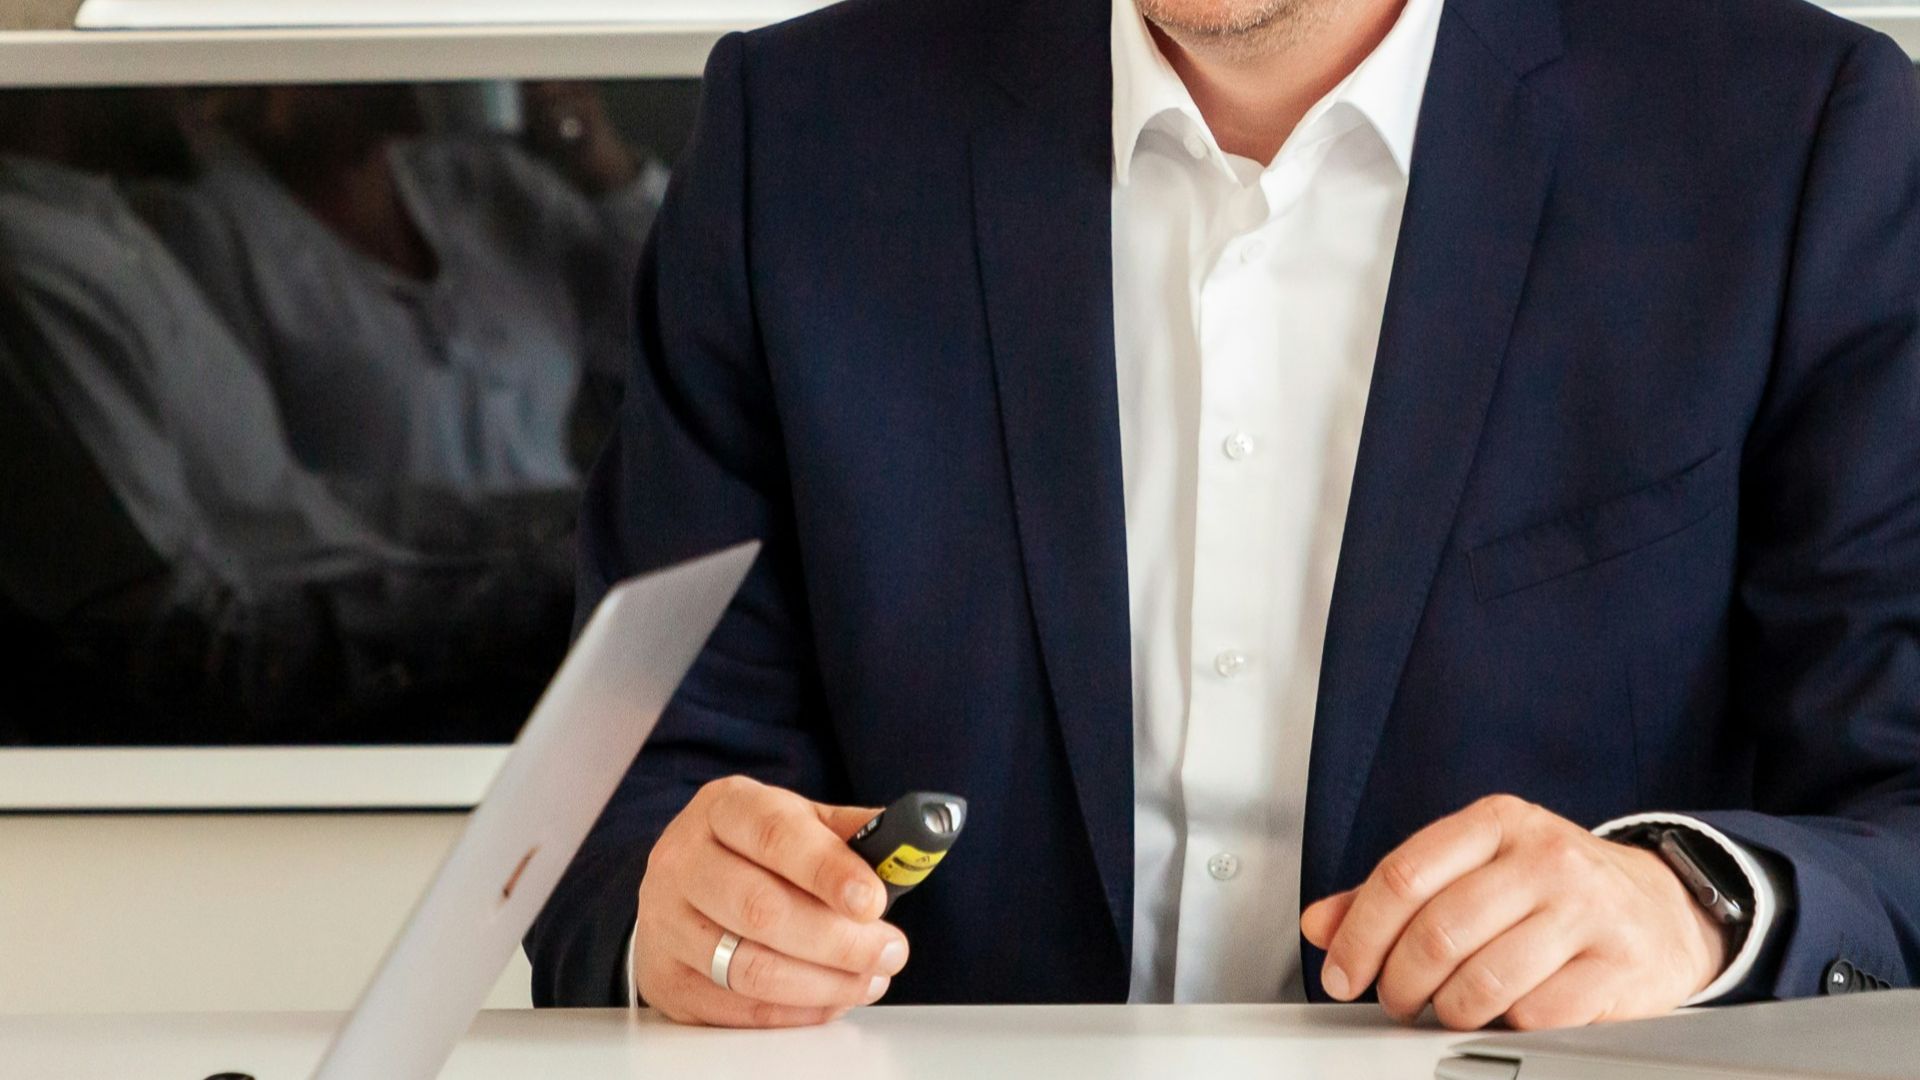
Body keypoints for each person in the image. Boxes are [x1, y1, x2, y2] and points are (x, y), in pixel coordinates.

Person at [526, 0, 1920, 1033]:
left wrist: (1694, 908)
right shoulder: (802, 131)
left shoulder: (1798, 136)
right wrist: (679, 899)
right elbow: (623, 791)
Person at [0, 91, 574, 745]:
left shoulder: (104, 224)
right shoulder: (28, 268)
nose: (209, 86)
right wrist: (517, 597)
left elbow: (286, 507)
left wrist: (552, 525)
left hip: (324, 664)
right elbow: (174, 646)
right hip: (249, 759)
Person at [134, 84, 663, 497]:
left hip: (564, 590)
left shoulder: (477, 179)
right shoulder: (205, 226)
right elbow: (247, 497)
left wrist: (601, 163)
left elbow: (684, 330)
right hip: (385, 615)